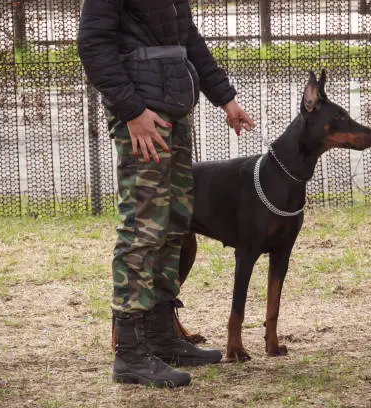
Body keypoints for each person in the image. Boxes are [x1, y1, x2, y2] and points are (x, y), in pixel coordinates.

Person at [77, 0, 254, 388]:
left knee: (175, 221)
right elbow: (93, 45)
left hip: (173, 111)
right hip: (142, 117)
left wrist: (226, 99)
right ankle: (131, 353)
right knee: (143, 228)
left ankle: (161, 337)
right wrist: (131, 111)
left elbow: (188, 39)